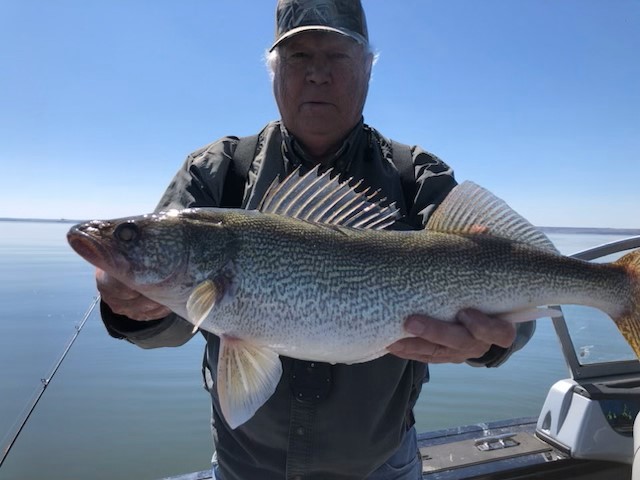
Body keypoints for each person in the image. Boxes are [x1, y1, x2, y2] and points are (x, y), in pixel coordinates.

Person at [96, 1, 534, 479]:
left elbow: (519, 293)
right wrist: (132, 310)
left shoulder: (417, 177)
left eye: (339, 57)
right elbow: (177, 325)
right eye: (299, 57)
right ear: (274, 72)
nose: (318, 75)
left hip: (379, 465)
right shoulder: (214, 173)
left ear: (368, 70)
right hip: (246, 467)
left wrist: (491, 343)